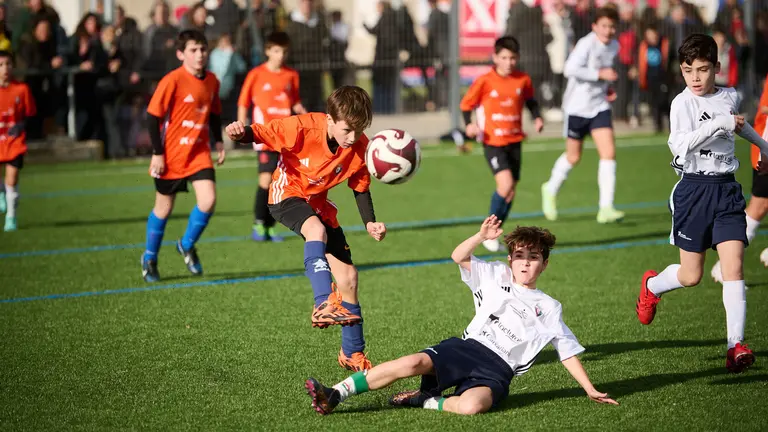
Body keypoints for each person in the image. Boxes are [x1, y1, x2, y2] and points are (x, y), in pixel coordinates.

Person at [304, 217, 618, 415]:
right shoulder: (495, 274)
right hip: (467, 349)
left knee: (471, 407)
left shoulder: (549, 306)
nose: (525, 264)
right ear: (510, 259)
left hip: (497, 371)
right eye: (519, 256)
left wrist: (589, 389)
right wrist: (480, 236)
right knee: (411, 363)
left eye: (533, 258)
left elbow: (566, 351)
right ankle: (336, 392)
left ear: (544, 265)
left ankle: (424, 400)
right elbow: (459, 256)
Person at [226, 86, 386, 371]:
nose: (353, 138)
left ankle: (352, 352)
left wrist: (370, 222)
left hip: (318, 203)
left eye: (359, 131)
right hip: (286, 194)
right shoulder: (301, 127)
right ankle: (323, 303)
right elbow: (262, 132)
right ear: (329, 119)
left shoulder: (360, 147)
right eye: (347, 130)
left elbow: (360, 187)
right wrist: (240, 132)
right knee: (316, 231)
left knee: (349, 278)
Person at [636, 34, 768, 373]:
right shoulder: (682, 104)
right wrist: (719, 124)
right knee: (691, 275)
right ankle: (652, 286)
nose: (695, 78)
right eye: (688, 70)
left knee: (733, 268)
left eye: (703, 69)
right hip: (693, 192)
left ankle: (734, 345)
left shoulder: (730, 97)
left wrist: (765, 150)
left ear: (717, 68)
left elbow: (740, 127)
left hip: (726, 192)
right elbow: (680, 147)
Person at [141, 30, 225, 283]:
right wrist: (157, 153)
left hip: (199, 153)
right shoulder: (173, 80)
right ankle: (149, 258)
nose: (199, 55)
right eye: (193, 50)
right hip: (172, 155)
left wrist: (218, 140)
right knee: (163, 209)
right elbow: (152, 116)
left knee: (208, 201)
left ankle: (186, 244)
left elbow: (214, 113)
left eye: (202, 49)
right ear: (181, 54)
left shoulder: (212, 80)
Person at [541, 7, 625, 224]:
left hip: (599, 107)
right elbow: (569, 69)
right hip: (577, 108)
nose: (608, 30)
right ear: (594, 26)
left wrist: (607, 87)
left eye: (612, 26)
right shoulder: (587, 43)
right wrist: (599, 74)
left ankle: (606, 207)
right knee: (573, 157)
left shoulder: (614, 45)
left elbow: (604, 75)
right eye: (604, 26)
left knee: (608, 153)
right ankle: (550, 188)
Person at [460, 36, 544, 252]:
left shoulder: (523, 79)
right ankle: (487, 232)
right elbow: (466, 104)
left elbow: (530, 100)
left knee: (511, 191)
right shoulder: (485, 81)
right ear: (495, 57)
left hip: (515, 140)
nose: (509, 62)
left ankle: (496, 230)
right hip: (493, 141)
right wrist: (469, 125)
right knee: (504, 185)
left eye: (513, 58)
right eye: (504, 57)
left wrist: (537, 117)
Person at [237, 31, 306, 242]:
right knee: (266, 180)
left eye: (284, 51)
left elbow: (294, 102)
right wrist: (241, 127)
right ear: (268, 50)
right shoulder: (256, 74)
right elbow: (243, 102)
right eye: (276, 51)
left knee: (280, 184)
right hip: (264, 137)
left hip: (285, 139)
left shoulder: (291, 75)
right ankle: (258, 224)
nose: (280, 55)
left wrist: (310, 119)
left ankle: (270, 227)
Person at [0, 50, 36, 232]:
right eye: (0, 65)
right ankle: (3, 194)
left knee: (12, 178)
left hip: (14, 142)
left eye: (7, 64)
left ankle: (11, 217)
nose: (4, 69)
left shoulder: (21, 90)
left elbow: (31, 114)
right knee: (4, 183)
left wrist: (21, 125)